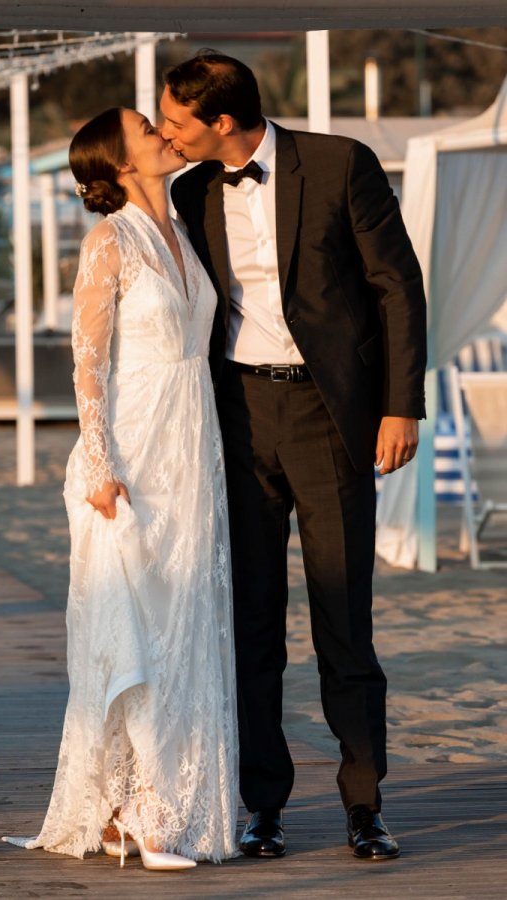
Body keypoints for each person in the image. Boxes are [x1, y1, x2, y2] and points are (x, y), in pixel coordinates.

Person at [160, 52, 427, 861]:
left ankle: (365, 804)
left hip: (328, 412)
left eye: (178, 122)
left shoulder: (341, 163)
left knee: (344, 618)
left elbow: (397, 287)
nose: (168, 136)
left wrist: (400, 404)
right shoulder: (188, 191)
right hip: (235, 416)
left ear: (225, 122)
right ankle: (262, 805)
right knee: (252, 624)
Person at [3, 107, 238, 868]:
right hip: (131, 456)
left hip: (190, 449)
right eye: (147, 128)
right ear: (120, 161)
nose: (166, 134)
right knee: (137, 627)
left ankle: (130, 808)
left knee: (184, 621)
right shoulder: (111, 241)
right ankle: (142, 810)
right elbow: (87, 357)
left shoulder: (184, 231)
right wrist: (99, 465)